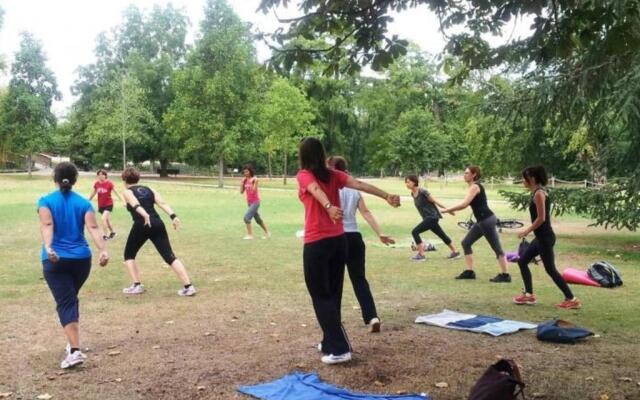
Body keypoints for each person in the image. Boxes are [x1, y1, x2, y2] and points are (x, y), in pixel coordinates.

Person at [297, 138, 400, 365]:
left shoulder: (305, 174)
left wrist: (328, 207)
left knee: (320, 295)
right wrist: (386, 195)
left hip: (317, 244)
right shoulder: (334, 175)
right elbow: (360, 185)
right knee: (333, 294)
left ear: (303, 155)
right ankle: (329, 341)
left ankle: (341, 349)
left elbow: (314, 189)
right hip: (338, 242)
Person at [37, 162, 109, 369]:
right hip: (81, 261)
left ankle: (75, 351)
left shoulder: (45, 201)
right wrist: (103, 250)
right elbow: (94, 228)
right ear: (75, 180)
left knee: (66, 302)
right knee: (69, 298)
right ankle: (72, 345)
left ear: (55, 179)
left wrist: (49, 247)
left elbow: (47, 224)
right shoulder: (84, 203)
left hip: (56, 261)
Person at [327, 155, 394, 333]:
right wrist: (379, 233)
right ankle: (372, 316)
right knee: (359, 279)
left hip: (337, 238)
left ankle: (335, 323)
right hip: (355, 238)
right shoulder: (354, 191)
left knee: (335, 282)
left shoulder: (330, 188)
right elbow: (365, 212)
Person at [120, 167, 196, 296]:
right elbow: (163, 203)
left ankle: (137, 285)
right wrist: (173, 216)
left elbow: (135, 204)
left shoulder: (127, 192)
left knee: (129, 255)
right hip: (157, 223)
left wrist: (144, 215)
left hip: (142, 224)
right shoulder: (149, 189)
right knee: (169, 256)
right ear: (138, 178)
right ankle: (189, 286)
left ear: (124, 179)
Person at [514, 166, 582, 309]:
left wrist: (526, 231)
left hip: (545, 238)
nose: (522, 180)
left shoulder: (539, 193)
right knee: (522, 261)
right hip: (540, 238)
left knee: (550, 269)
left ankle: (572, 299)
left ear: (532, 178)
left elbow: (541, 218)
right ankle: (529, 295)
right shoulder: (536, 193)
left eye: (524, 177)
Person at [441, 166, 511, 282]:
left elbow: (464, 204)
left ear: (474, 175)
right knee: (466, 243)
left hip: (487, 220)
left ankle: (505, 275)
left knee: (496, 248)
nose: (465, 175)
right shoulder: (472, 187)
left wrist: (446, 210)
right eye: (464, 173)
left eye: (467, 173)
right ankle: (470, 272)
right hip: (482, 221)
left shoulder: (475, 186)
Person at [404, 175, 460, 261]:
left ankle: (421, 255)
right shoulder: (412, 194)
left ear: (414, 182)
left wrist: (448, 210)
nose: (406, 184)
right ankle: (455, 252)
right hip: (428, 218)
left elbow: (435, 201)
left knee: (415, 232)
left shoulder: (423, 192)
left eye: (408, 182)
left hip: (432, 217)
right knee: (441, 234)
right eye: (406, 182)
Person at [88, 169, 124, 240]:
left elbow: (116, 192)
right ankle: (113, 232)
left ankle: (105, 235)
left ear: (105, 175)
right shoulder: (97, 184)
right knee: (106, 220)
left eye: (102, 174)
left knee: (103, 218)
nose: (100, 176)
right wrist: (88, 200)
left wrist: (123, 201)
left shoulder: (109, 183)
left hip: (109, 204)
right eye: (99, 175)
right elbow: (94, 192)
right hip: (101, 205)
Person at [240, 165, 270, 239]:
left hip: (255, 202)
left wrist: (253, 182)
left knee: (246, 218)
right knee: (257, 219)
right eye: (244, 172)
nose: (245, 173)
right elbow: (241, 192)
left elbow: (253, 191)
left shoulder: (254, 179)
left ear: (250, 171)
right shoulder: (245, 180)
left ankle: (250, 235)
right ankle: (267, 233)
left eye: (247, 171)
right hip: (249, 202)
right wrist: (241, 183)